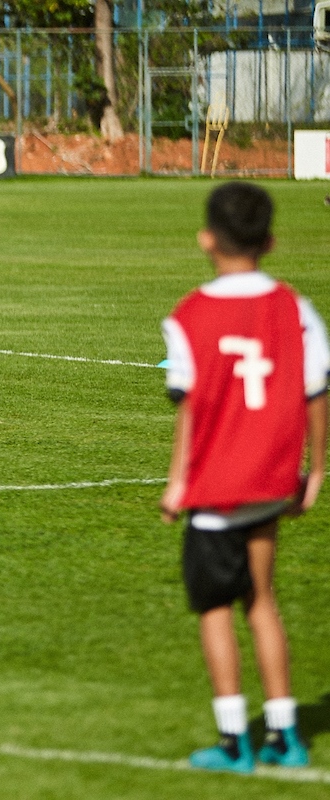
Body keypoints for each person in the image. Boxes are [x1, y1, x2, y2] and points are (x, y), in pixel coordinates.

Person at [159, 182, 328, 773]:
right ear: (271, 240)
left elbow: (189, 409)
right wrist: (316, 470)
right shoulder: (296, 308)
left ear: (206, 238)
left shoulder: (188, 318)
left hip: (215, 489)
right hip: (273, 482)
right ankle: (286, 734)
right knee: (262, 601)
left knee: (215, 611)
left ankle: (234, 740)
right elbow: (316, 392)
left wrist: (177, 482)